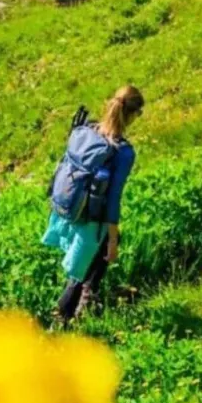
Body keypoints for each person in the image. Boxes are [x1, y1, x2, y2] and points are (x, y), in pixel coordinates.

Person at [41, 86, 143, 325]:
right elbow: (113, 198)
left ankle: (86, 304)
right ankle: (62, 321)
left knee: (90, 265)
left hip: (70, 210)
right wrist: (113, 239)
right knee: (81, 273)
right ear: (132, 114)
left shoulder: (87, 130)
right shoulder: (123, 152)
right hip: (93, 220)